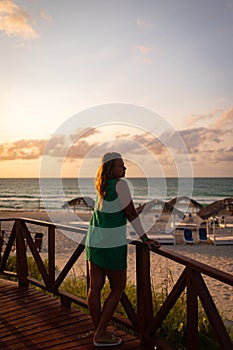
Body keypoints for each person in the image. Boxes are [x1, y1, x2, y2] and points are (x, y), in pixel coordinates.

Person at [85, 152, 161, 347]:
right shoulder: (121, 185)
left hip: (94, 240)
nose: (125, 168)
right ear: (111, 169)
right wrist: (145, 239)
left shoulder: (101, 185)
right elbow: (131, 213)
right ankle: (100, 333)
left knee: (95, 288)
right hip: (111, 243)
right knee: (117, 289)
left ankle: (98, 331)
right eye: (121, 165)